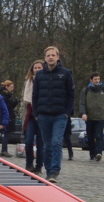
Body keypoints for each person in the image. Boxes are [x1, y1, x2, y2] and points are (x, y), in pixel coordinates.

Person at [32, 45, 76, 182]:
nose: (51, 57)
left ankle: (54, 171)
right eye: (48, 55)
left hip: (60, 115)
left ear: (58, 57)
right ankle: (48, 169)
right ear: (45, 58)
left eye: (53, 55)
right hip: (43, 115)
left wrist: (66, 113)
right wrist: (36, 113)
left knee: (57, 142)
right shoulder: (39, 75)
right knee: (47, 145)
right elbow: (35, 95)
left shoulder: (66, 73)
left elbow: (71, 95)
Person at [80, 72, 104, 163]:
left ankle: (99, 153)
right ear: (91, 80)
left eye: (98, 79)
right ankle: (92, 154)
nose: (97, 81)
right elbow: (82, 103)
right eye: (95, 79)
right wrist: (83, 113)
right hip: (89, 117)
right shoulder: (86, 90)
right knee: (90, 137)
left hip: (100, 117)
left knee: (99, 136)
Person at [21, 60, 45, 173]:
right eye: (35, 68)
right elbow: (24, 101)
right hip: (30, 114)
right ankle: (29, 163)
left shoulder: (46, 81)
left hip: (42, 114)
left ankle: (39, 166)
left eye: (39, 68)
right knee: (29, 140)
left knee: (41, 143)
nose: (37, 70)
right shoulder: (28, 82)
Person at [0, 79, 18, 157]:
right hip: (6, 116)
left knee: (6, 133)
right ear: (7, 86)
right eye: (11, 87)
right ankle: (4, 150)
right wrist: (15, 102)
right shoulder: (5, 96)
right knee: (6, 133)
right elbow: (8, 107)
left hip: (7, 115)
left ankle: (4, 149)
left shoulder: (4, 95)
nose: (12, 89)